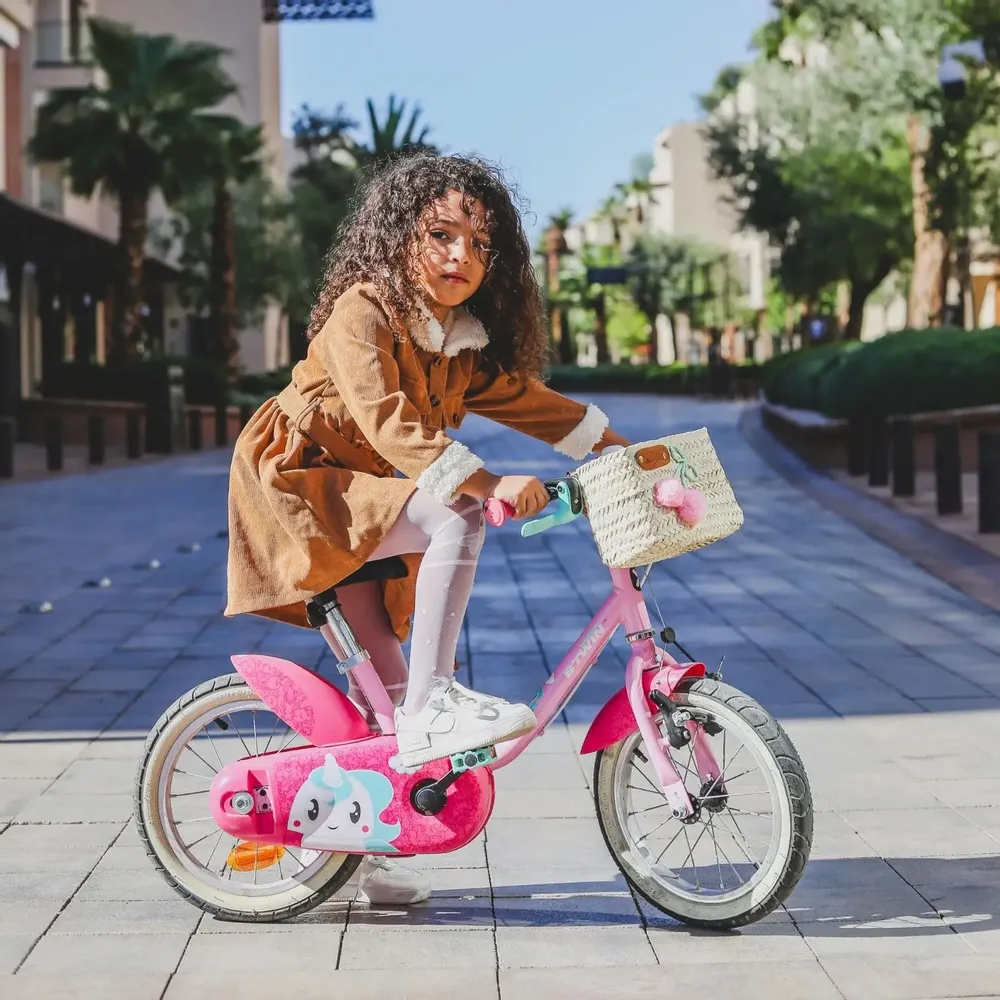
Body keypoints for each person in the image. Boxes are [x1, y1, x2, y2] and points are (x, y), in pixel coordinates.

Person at [225, 153, 629, 903]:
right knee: (459, 512)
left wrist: (625, 451)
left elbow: (530, 402)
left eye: (479, 246)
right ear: (397, 236)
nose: (459, 257)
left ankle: (365, 846)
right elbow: (391, 421)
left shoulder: (457, 345)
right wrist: (486, 479)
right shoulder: (364, 311)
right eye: (441, 235)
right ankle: (434, 700)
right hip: (302, 487)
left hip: (361, 497)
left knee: (381, 690)